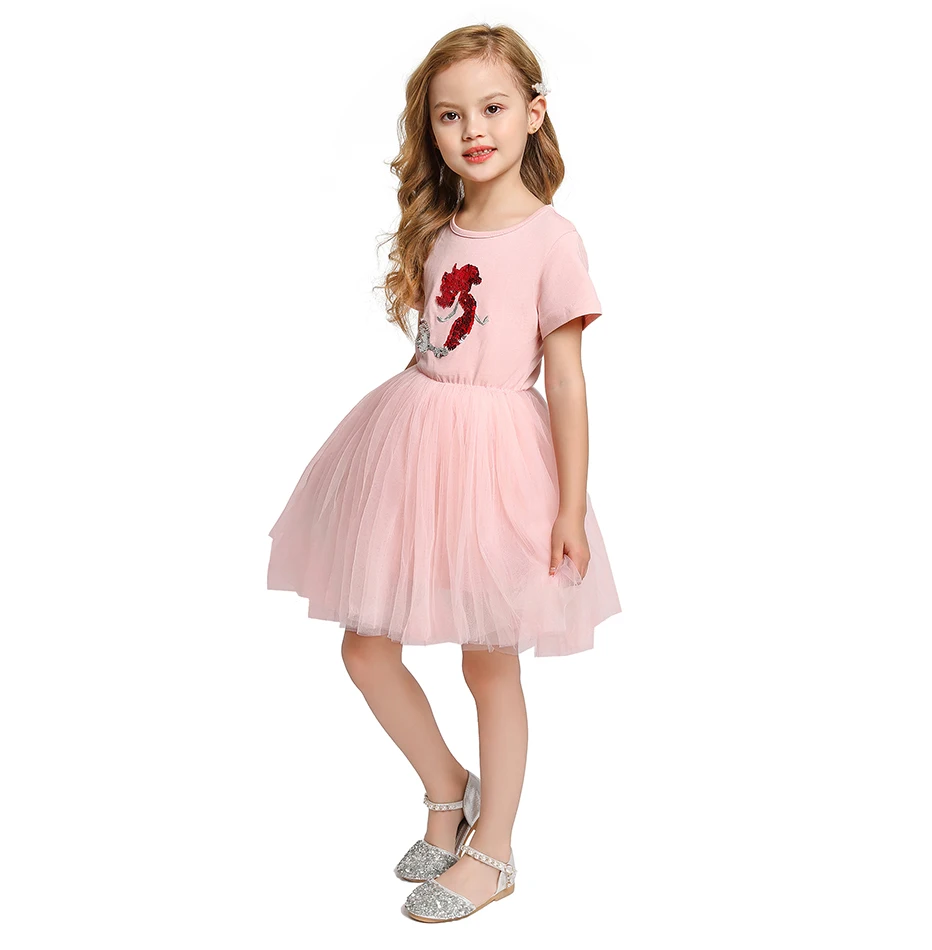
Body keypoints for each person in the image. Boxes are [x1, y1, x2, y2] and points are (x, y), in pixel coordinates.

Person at [266, 23, 622, 922]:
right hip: (414, 444)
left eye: (493, 108)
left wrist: (569, 506)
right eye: (450, 114)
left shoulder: (552, 239)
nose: (473, 129)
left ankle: (493, 850)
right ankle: (447, 787)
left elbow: (567, 382)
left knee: (488, 664)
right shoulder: (440, 227)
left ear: (534, 114)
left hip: (499, 464)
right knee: (364, 646)